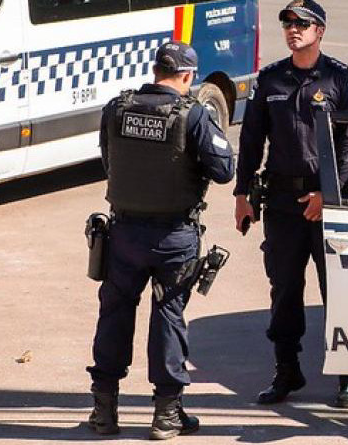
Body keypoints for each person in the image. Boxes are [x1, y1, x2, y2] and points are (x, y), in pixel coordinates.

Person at [86, 42, 235, 440]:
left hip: (124, 233)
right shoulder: (194, 115)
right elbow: (225, 170)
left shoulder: (117, 108)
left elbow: (108, 160)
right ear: (187, 77)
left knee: (115, 313)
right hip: (173, 236)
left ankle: (104, 411)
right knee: (169, 316)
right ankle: (166, 415)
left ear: (155, 70)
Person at [234, 0, 348, 409]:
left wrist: (328, 193)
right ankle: (287, 370)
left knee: (339, 291)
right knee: (285, 288)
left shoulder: (343, 80)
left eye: (303, 23)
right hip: (282, 202)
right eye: (288, 23)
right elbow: (252, 138)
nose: (294, 29)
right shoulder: (270, 80)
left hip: (330, 201)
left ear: (320, 31)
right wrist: (241, 194)